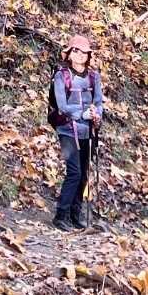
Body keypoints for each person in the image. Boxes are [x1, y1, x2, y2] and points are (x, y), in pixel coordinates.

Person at [51, 33, 103, 231]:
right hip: (67, 130)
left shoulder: (94, 77)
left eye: (84, 52)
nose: (80, 55)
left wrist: (97, 115)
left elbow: (98, 102)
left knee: (83, 175)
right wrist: (82, 113)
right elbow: (62, 106)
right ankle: (60, 216)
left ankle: (75, 215)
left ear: (88, 55)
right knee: (74, 172)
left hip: (87, 131)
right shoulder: (61, 76)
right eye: (76, 51)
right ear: (69, 53)